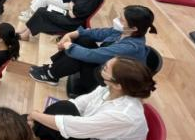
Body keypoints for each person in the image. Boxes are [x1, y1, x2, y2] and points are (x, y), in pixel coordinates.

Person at [30, 57, 155, 140]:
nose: (101, 68)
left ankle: (29, 129)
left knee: (57, 116)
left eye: (105, 69)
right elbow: (78, 104)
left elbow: (74, 126)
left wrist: (36, 116)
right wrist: (42, 117)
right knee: (64, 108)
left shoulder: (124, 115)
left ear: (118, 85)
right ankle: (31, 128)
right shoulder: (109, 87)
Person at [29, 5, 157, 88]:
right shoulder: (123, 31)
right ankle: (53, 69)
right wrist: (72, 34)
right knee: (83, 39)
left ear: (134, 28)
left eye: (121, 20)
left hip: (108, 81)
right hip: (105, 68)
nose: (117, 20)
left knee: (81, 55)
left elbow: (93, 55)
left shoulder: (131, 47)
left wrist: (68, 45)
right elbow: (97, 33)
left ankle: (51, 74)